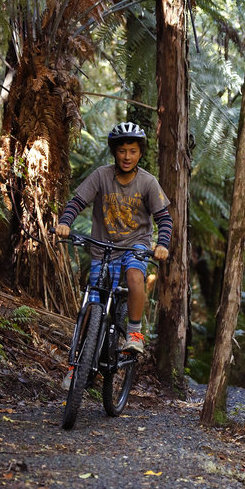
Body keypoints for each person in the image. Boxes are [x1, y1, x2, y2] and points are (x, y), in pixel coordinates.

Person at [56, 121, 173, 354]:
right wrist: (64, 222)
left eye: (132, 151)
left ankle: (134, 332)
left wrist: (162, 244)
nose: (127, 157)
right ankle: (80, 361)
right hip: (103, 247)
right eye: (122, 151)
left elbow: (164, 219)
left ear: (140, 153)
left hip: (135, 245)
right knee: (92, 302)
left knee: (134, 276)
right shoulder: (101, 176)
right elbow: (77, 202)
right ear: (114, 152)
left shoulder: (148, 182)